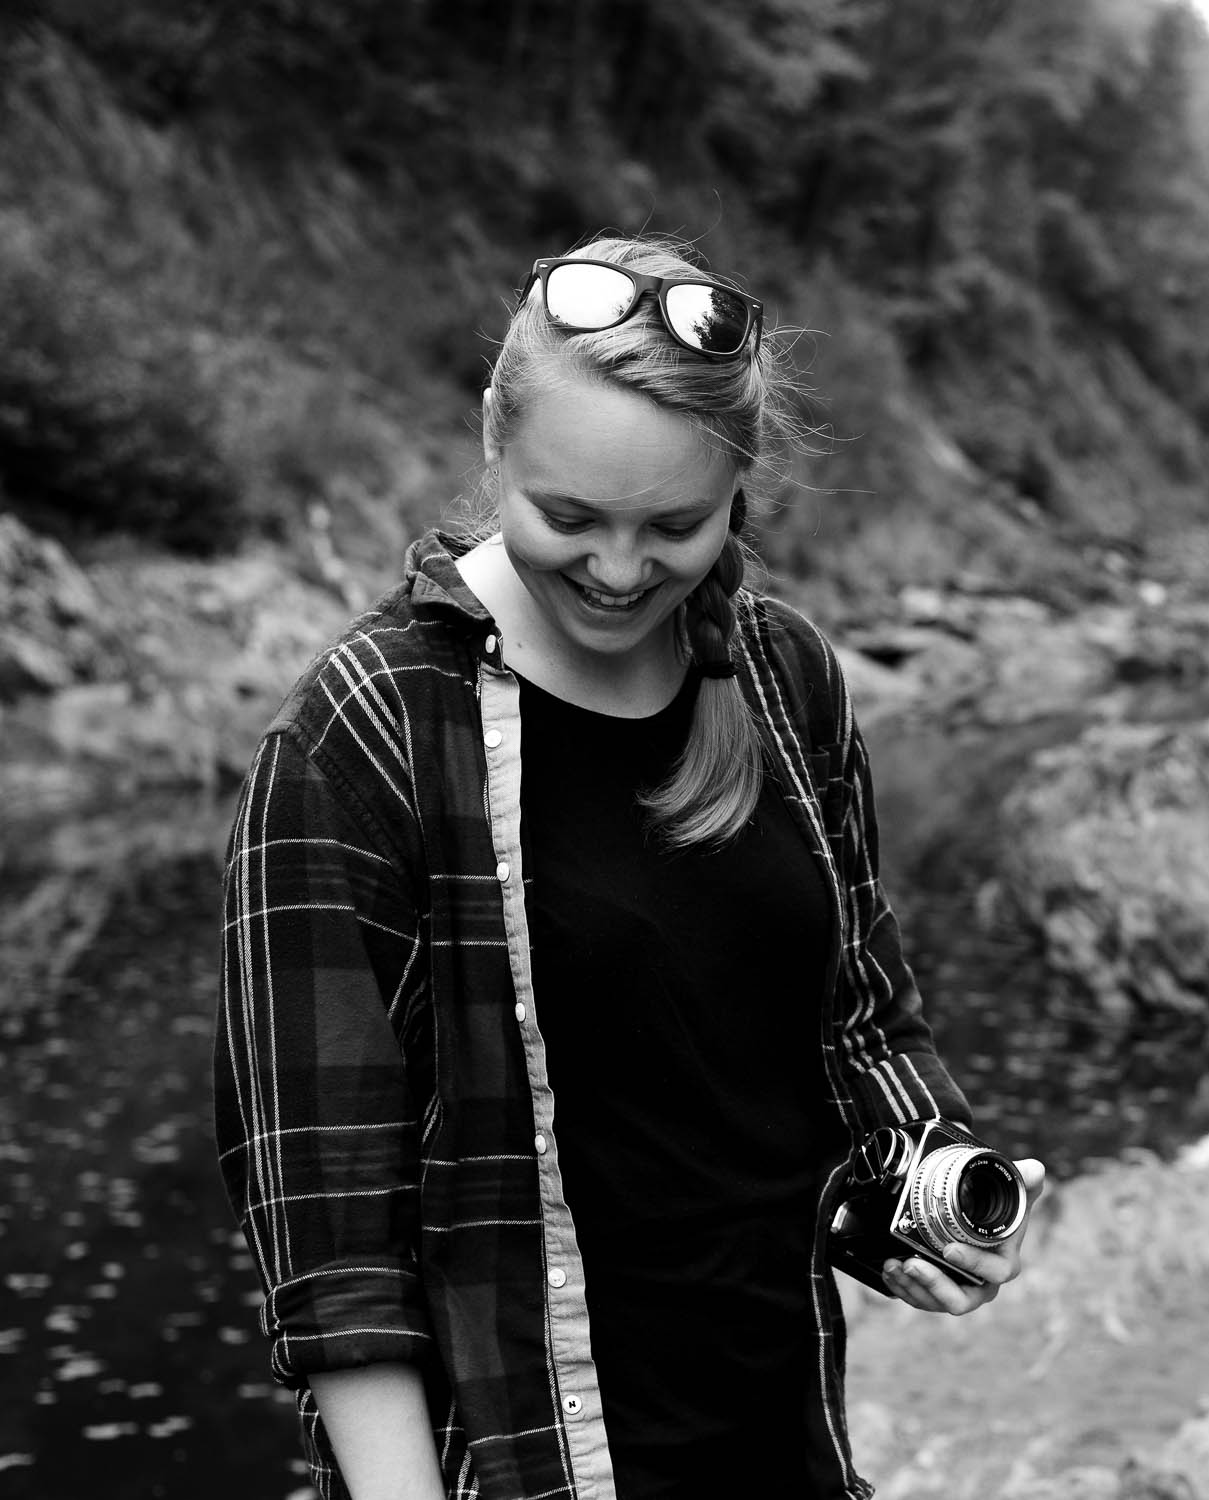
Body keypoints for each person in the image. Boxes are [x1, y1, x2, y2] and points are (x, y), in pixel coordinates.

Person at [214, 233, 1042, 1500]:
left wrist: (924, 1190)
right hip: (524, 1469)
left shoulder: (786, 678)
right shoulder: (366, 728)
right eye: (567, 517)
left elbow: (856, 1021)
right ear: (495, 439)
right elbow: (329, 1230)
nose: (615, 570)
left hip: (784, 1450)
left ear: (739, 485)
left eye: (674, 525)